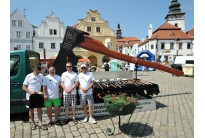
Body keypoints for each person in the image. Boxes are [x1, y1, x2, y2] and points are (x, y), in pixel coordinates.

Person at [22, 65, 47, 130]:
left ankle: (40, 123)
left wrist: (44, 94)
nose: (37, 73)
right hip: (30, 95)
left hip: (38, 95)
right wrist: (30, 92)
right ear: (33, 70)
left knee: (39, 109)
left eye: (38, 71)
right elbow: (23, 87)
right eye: (36, 71)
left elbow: (44, 86)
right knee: (31, 109)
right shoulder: (29, 76)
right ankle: (33, 123)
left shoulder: (41, 76)